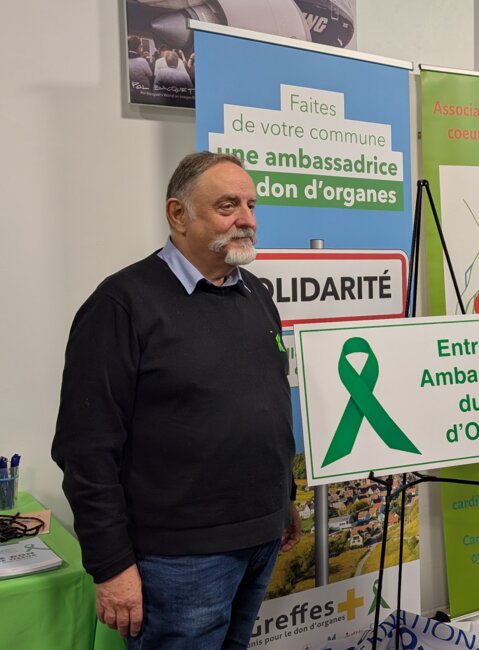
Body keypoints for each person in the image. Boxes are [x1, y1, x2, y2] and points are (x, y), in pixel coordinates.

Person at [53, 151, 300, 648]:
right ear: (178, 214)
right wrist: (111, 567)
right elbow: (86, 449)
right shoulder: (122, 305)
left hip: (260, 537)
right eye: (228, 205)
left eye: (251, 205)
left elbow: (264, 406)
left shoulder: (256, 294)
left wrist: (285, 498)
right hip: (179, 560)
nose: (247, 220)